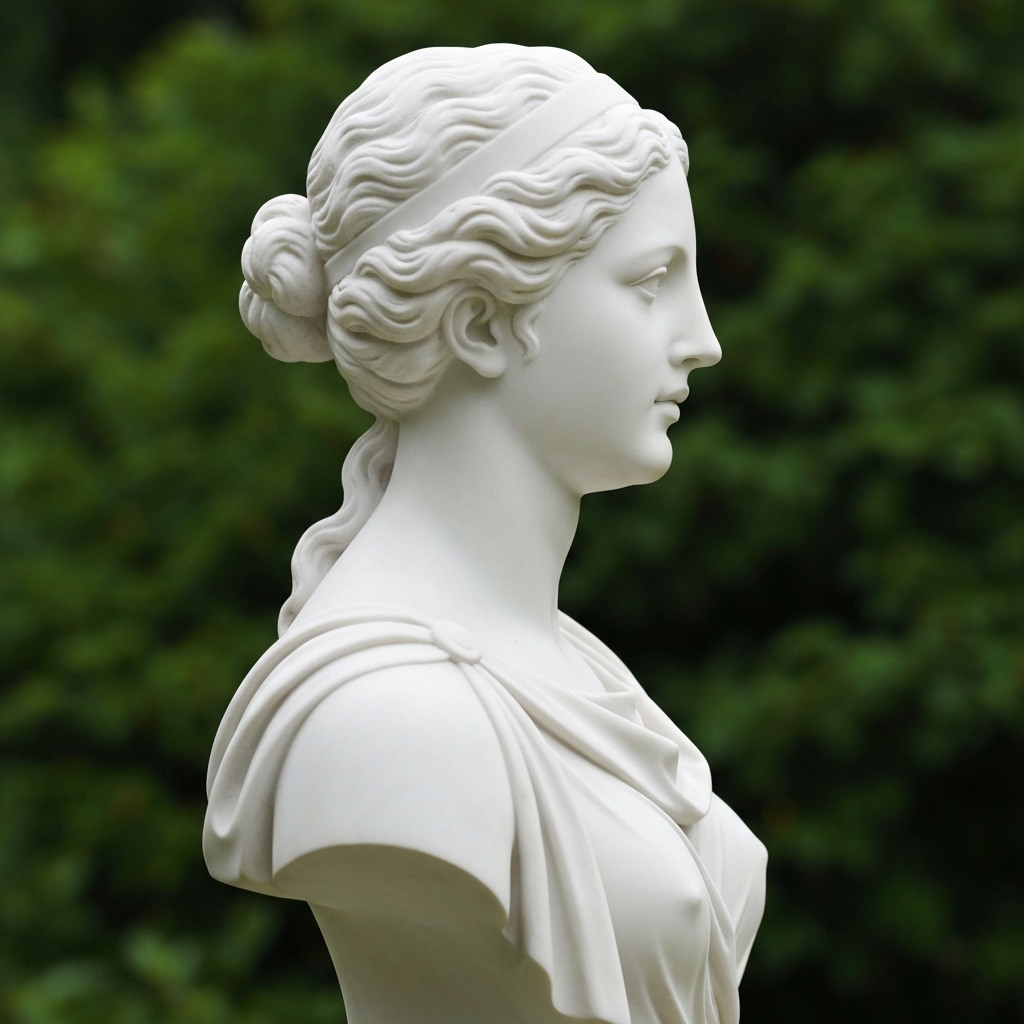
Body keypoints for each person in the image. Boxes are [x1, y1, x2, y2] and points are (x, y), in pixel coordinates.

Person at [204, 43, 767, 1024]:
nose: (702, 337)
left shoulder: (569, 663)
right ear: (478, 321)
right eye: (650, 282)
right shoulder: (386, 718)